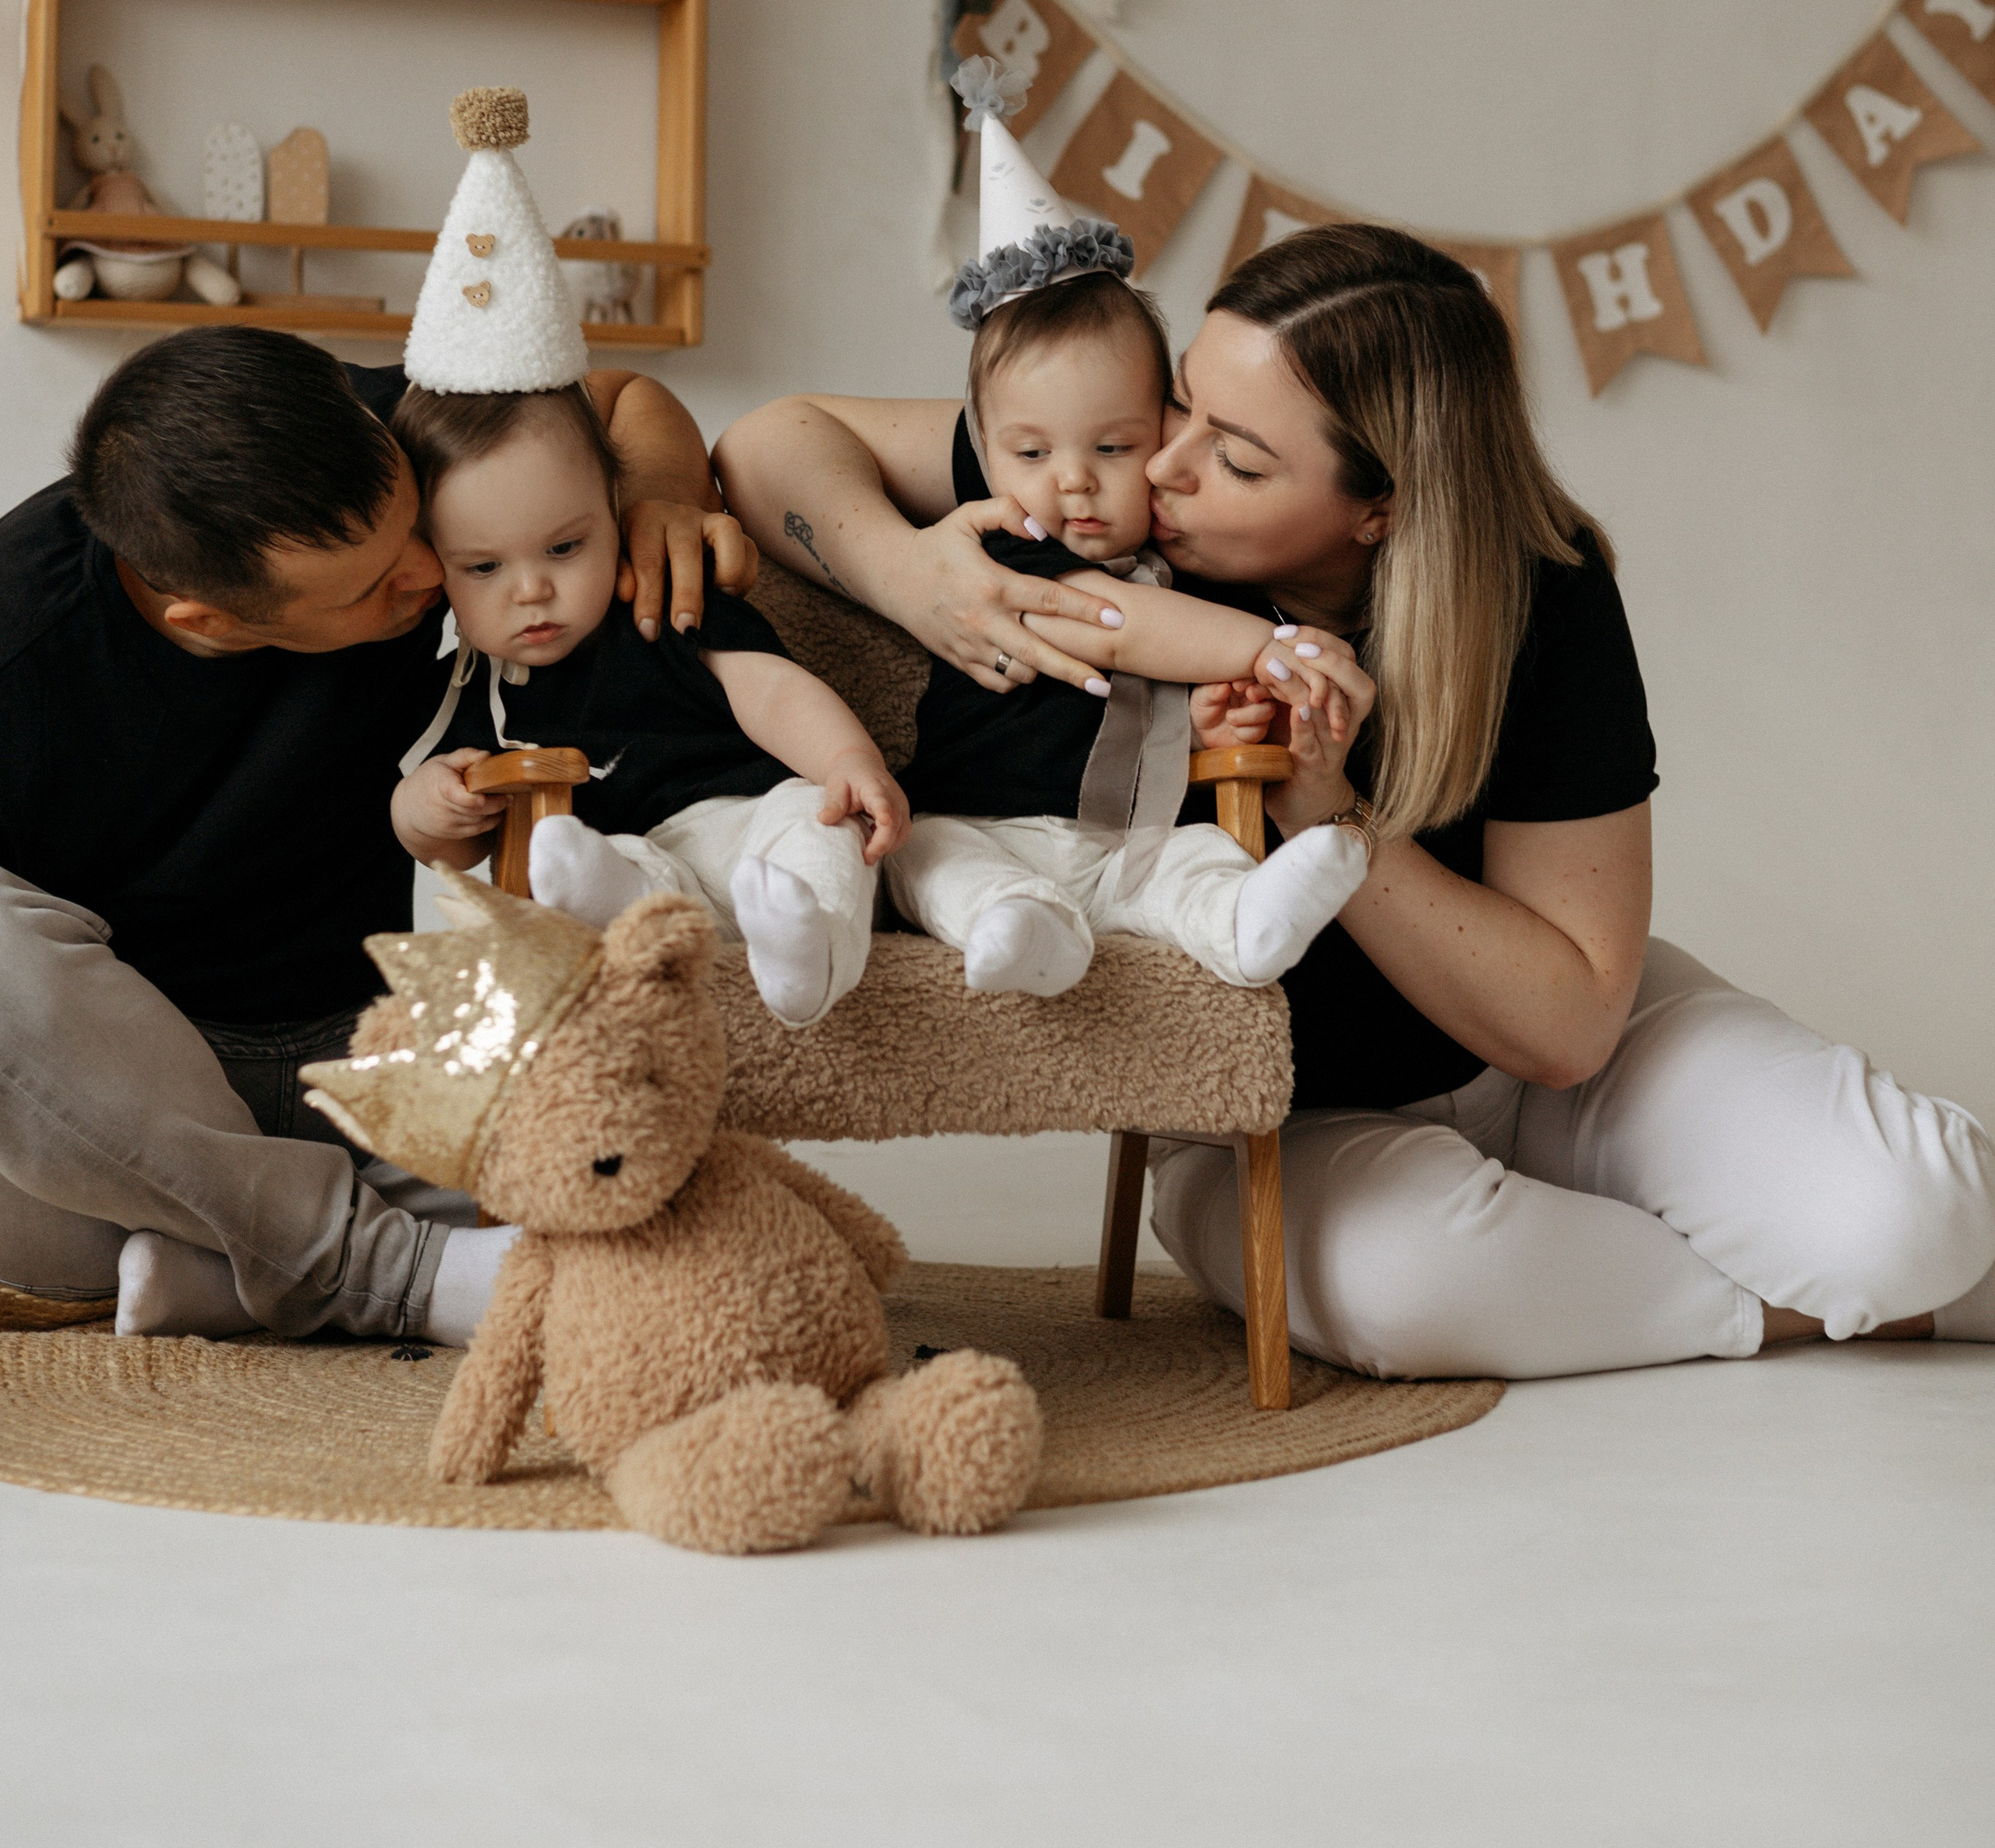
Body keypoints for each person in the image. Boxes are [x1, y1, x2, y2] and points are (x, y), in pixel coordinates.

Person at [716, 221, 1995, 1379]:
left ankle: (1736, 1271)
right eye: (1182, 403)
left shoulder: (1541, 592)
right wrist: (909, 574)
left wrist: (1327, 813)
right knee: (1414, 1292)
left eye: (1236, 455)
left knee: (1915, 1214)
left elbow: (1565, 1029)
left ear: (1377, 507)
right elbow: (771, 442)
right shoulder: (1104, 487)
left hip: (1536, 1054)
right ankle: (1806, 1307)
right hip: (1279, 1111)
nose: (1160, 461)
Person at [0, 309, 746, 1348]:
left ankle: (233, 1272)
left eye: (416, 530)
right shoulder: (23, 646)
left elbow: (618, 400)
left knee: (664, 1217)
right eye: (375, 581)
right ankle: (388, 1275)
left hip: (371, 1063)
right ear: (206, 618)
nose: (432, 576)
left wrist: (663, 488)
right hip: (126, 1134)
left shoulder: (373, 419)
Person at [383, 85, 906, 1027]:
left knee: (811, 830)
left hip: (744, 820)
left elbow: (769, 691)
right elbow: (435, 820)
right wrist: (426, 811)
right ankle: (625, 912)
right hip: (634, 853)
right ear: (435, 564)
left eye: (566, 544)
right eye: (485, 567)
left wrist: (847, 760)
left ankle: (807, 949)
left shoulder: (651, 601)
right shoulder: (468, 668)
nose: (534, 586)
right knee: (581, 868)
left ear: (614, 506)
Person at [882, 72, 1368, 998]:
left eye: (1113, 446)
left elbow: (1129, 714)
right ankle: (1016, 928)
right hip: (986, 827)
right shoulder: (1000, 551)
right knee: (929, 857)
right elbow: (1117, 626)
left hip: (1126, 846)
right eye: (1031, 450)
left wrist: (1200, 730)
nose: (1071, 480)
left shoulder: (1181, 570)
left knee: (1193, 865)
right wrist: (1265, 651)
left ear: (1161, 431)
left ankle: (1243, 924)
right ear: (984, 451)